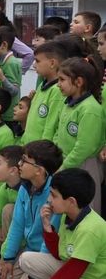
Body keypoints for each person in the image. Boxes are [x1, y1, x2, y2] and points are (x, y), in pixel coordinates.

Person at [19, 168, 106, 279]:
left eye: (54, 195)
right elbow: (60, 254)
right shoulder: (69, 215)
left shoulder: (91, 229)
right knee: (26, 259)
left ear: (71, 201)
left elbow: (72, 271)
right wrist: (47, 227)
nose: (49, 200)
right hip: (73, 273)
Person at [0, 141, 60, 279]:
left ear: (39, 170)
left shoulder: (54, 195)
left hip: (48, 255)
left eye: (24, 160)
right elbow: (17, 225)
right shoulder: (25, 187)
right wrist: (8, 258)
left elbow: (49, 237)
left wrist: (36, 276)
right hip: (30, 249)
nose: (19, 164)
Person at [53, 57, 105, 214]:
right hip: (67, 164)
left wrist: (64, 166)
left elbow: (84, 147)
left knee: (84, 212)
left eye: (62, 80)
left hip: (84, 166)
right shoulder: (69, 104)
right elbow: (58, 133)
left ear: (79, 81)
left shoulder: (90, 109)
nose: (58, 84)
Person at [20, 41, 67, 145]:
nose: (34, 64)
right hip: (29, 146)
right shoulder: (42, 85)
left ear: (52, 63)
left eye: (37, 61)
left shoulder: (57, 90)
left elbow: (51, 126)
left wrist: (43, 150)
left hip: (40, 151)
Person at [0, 26, 22, 122]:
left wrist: (2, 78)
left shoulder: (11, 63)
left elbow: (14, 91)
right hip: (1, 111)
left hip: (9, 114)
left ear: (4, 45)